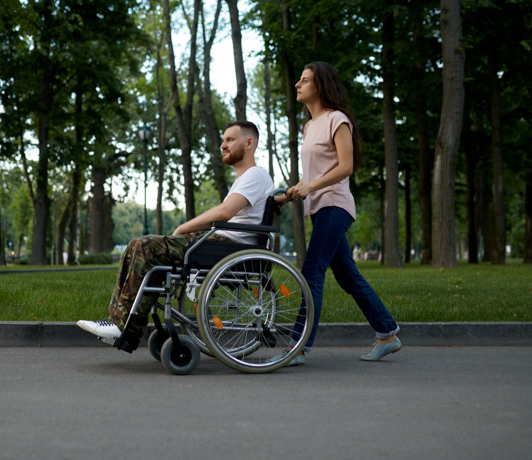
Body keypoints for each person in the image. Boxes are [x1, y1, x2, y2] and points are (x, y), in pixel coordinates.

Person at [77, 121, 275, 349]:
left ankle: (121, 324)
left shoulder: (255, 175)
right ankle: (123, 326)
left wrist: (183, 228)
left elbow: (225, 212)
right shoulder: (247, 179)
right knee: (142, 250)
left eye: (230, 139)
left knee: (143, 246)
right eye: (223, 140)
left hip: (227, 247)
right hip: (221, 245)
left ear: (249, 143)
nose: (223, 145)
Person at [278, 61, 402, 365]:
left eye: (304, 80)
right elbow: (316, 172)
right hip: (319, 207)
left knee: (312, 271)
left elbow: (345, 166)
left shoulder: (337, 119)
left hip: (335, 204)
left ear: (320, 86)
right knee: (347, 276)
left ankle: (298, 345)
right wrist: (293, 190)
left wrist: (311, 187)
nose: (297, 84)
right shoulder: (309, 125)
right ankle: (387, 333)